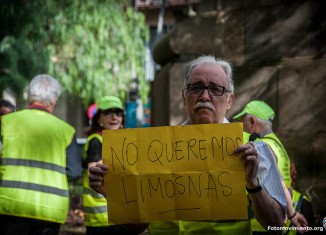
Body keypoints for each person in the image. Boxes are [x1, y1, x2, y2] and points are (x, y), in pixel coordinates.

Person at [88, 55, 287, 234]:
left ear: (229, 100)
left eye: (216, 89)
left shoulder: (255, 150)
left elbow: (276, 225)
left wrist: (253, 186)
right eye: (196, 87)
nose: (205, 96)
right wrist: (112, 194)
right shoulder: (156, 149)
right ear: (185, 95)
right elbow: (139, 227)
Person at [0, 74, 82, 235]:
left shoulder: (6, 123)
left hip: (11, 205)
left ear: (29, 97)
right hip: (50, 208)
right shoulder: (66, 131)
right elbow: (74, 172)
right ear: (53, 101)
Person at [233, 100, 308, 234]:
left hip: (263, 223)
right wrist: (292, 214)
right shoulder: (278, 145)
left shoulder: (263, 146)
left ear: (252, 121)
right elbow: (284, 184)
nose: (242, 128)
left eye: (242, 123)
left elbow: (279, 183)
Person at [83, 96, 145, 235]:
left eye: (118, 113)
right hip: (102, 216)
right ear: (98, 119)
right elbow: (95, 172)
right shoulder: (96, 140)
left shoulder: (124, 141)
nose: (114, 117)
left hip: (122, 212)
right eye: (108, 113)